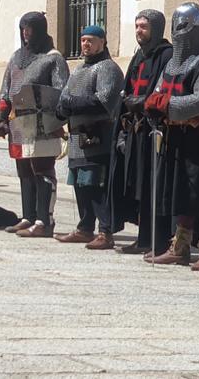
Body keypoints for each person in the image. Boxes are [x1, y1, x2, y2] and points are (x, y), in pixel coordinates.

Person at [143, 2, 199, 269]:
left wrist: (166, 105)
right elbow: (156, 92)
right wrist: (154, 104)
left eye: (182, 25)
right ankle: (180, 246)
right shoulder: (172, 64)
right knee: (181, 193)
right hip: (175, 135)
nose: (178, 30)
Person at [0, 12, 69, 238]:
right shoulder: (17, 57)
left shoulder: (53, 58)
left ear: (40, 29)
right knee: (24, 170)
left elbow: (61, 92)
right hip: (18, 121)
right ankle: (28, 216)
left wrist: (56, 120)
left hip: (42, 122)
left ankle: (44, 221)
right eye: (23, 28)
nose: (26, 33)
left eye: (30, 28)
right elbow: (6, 90)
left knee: (43, 169)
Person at [109, 10, 174, 256]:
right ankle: (143, 237)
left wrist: (141, 102)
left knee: (153, 186)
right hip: (135, 130)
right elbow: (127, 90)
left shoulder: (166, 55)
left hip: (154, 131)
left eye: (144, 26)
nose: (139, 30)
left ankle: (158, 240)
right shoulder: (138, 56)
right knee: (138, 186)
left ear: (156, 28)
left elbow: (161, 89)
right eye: (137, 26)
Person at [55, 26, 124, 248]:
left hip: (98, 135)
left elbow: (103, 101)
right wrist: (63, 109)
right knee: (81, 184)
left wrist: (71, 104)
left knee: (97, 184)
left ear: (102, 42)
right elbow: (63, 100)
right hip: (76, 137)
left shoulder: (108, 69)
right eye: (83, 40)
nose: (85, 44)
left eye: (90, 40)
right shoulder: (78, 71)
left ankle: (105, 232)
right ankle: (85, 228)